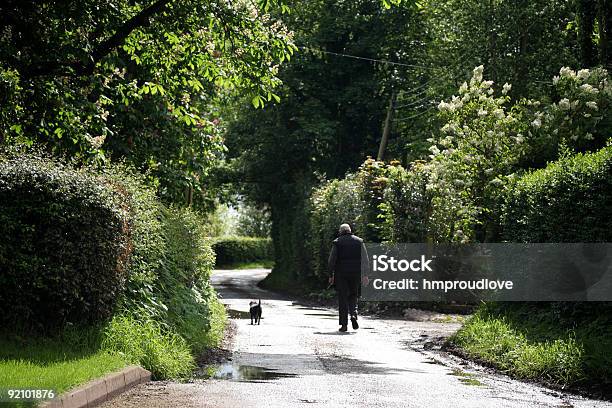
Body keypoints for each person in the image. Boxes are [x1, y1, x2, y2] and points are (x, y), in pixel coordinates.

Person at [328, 223, 369, 332]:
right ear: (350, 230)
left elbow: (332, 260)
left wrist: (330, 275)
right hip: (356, 273)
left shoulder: (337, 242)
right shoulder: (359, 241)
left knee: (343, 297)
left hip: (341, 274)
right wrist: (365, 275)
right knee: (353, 295)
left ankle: (344, 325)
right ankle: (354, 314)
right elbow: (365, 259)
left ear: (340, 231)